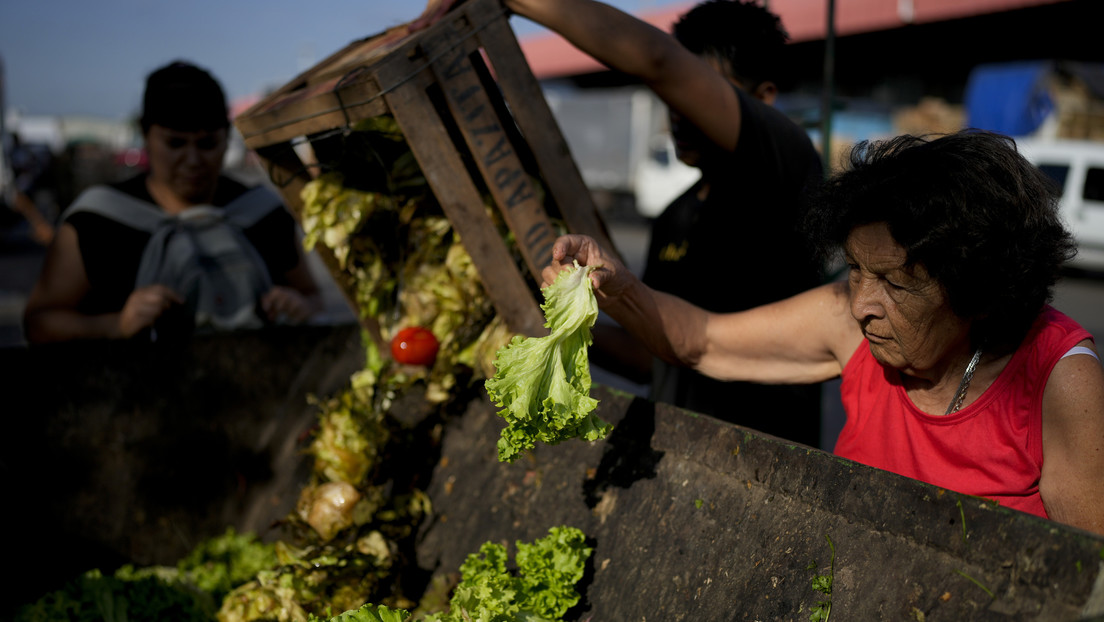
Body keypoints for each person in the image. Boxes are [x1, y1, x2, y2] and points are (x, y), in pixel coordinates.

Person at [542, 130, 1104, 535]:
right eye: (858, 269)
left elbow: (1086, 585)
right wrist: (619, 288)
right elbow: (700, 341)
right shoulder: (851, 324)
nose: (861, 304)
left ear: (980, 292)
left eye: (896, 284)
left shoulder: (1061, 381)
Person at [504, 0, 825, 446]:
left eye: (691, 90)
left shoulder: (787, 167)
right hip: (680, 460)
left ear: (764, 101)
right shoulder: (676, 212)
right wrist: (567, 319)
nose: (675, 109)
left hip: (766, 466)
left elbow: (658, 62)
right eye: (671, 97)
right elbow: (652, 353)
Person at [23, 61, 323, 344]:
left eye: (207, 144)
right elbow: (39, 323)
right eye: (175, 143)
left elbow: (312, 296)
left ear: (226, 137)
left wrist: (299, 306)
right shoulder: (96, 222)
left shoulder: (263, 213)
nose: (192, 161)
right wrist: (116, 324)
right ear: (145, 134)